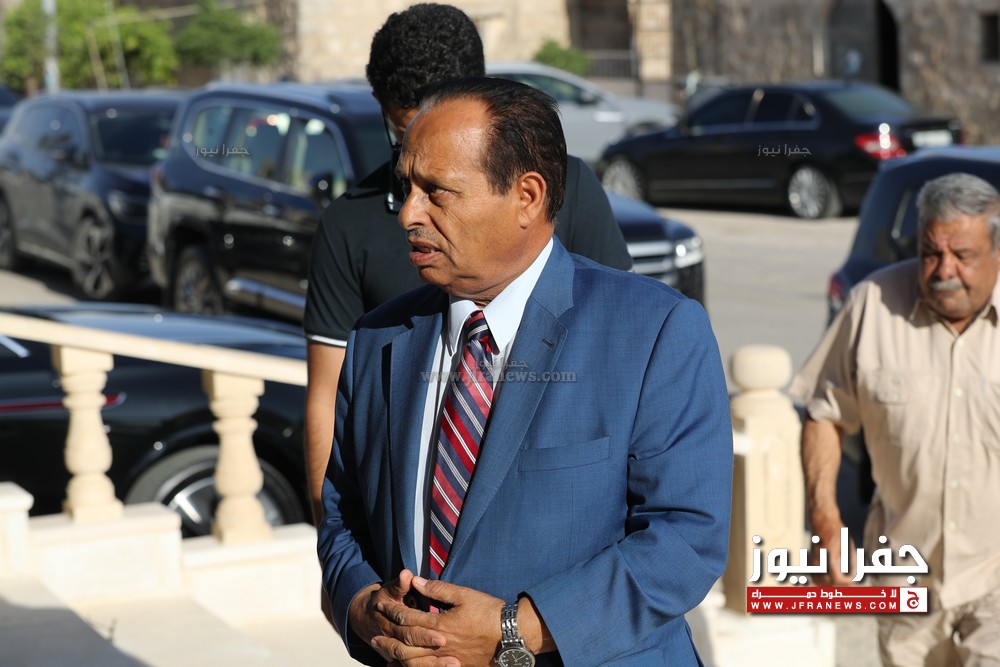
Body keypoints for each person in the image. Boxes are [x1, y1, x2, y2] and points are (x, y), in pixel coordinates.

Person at [316, 77, 732, 666]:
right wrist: (362, 606)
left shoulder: (655, 331)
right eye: (406, 187)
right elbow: (342, 513)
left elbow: (686, 538)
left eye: (437, 191)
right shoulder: (377, 339)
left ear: (527, 197)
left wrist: (517, 629)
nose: (409, 213)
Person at [302, 3, 632, 522]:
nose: (412, 212)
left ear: (527, 199)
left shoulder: (566, 188)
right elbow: (327, 396)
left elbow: (622, 343)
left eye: (444, 177)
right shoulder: (348, 224)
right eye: (404, 141)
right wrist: (334, 541)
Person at [792, 172, 1000, 665]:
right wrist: (825, 518)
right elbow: (824, 414)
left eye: (963, 255)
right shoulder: (872, 304)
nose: (944, 270)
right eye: (930, 253)